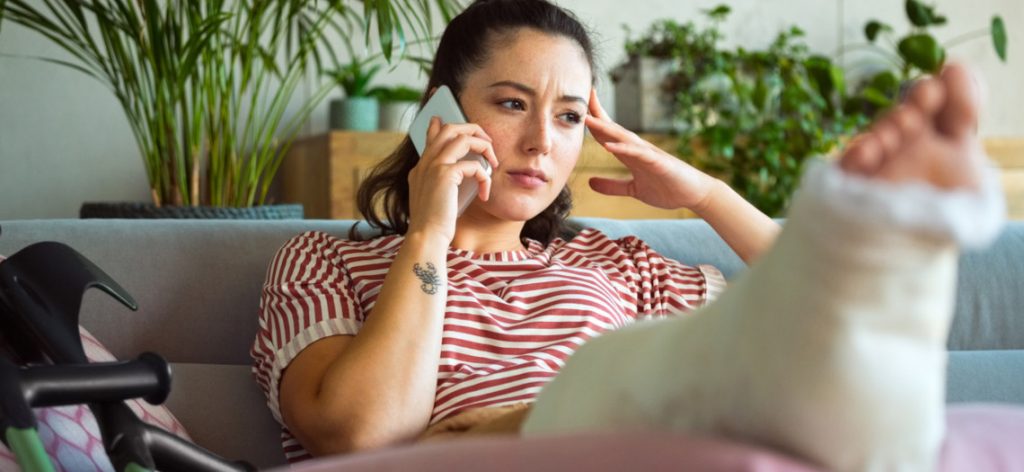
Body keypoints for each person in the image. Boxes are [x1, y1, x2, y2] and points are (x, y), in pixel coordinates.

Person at [250, 0, 1005, 470]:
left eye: (572, 116)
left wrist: (707, 195)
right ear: (439, 113)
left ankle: (883, 238)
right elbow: (358, 436)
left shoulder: (616, 264)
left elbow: (823, 320)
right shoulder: (325, 261)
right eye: (513, 103)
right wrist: (427, 236)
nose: (544, 140)